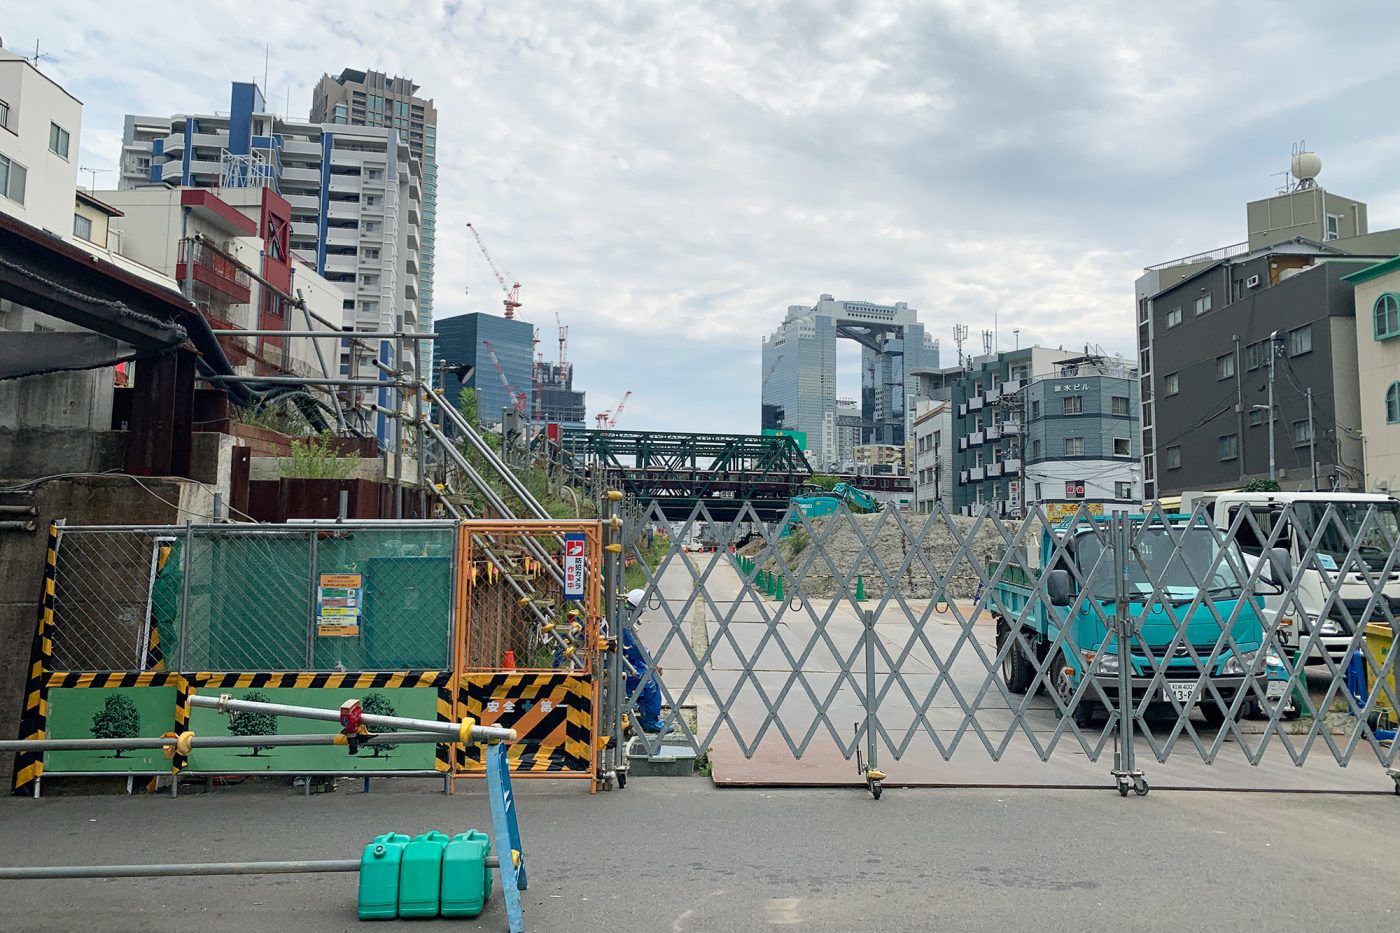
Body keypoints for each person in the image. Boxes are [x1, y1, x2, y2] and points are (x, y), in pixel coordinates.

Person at [622, 588, 666, 732]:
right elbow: (634, 649)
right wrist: (652, 664)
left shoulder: (620, 620)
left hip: (624, 663)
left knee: (646, 671)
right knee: (650, 679)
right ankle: (650, 720)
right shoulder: (622, 623)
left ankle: (641, 710)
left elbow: (633, 652)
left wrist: (649, 663)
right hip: (618, 668)